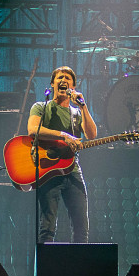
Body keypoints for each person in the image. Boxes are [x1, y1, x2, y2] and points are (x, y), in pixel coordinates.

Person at [28, 66, 97, 243]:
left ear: (73, 86)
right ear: (52, 83)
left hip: (73, 170)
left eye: (67, 78)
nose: (63, 80)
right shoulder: (41, 107)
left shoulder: (76, 113)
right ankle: (46, 268)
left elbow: (92, 135)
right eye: (59, 77)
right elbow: (33, 129)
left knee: (81, 227)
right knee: (48, 227)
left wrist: (83, 106)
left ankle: (79, 268)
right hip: (49, 171)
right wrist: (63, 135)